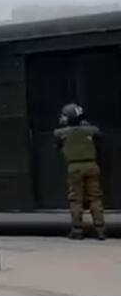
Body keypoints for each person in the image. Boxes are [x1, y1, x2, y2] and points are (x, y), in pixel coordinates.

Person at [54, 103, 105, 240]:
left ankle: (77, 230)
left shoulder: (61, 133)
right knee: (95, 198)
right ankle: (100, 229)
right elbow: (99, 138)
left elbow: (58, 145)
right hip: (92, 166)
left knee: (76, 199)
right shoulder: (92, 130)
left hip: (74, 167)